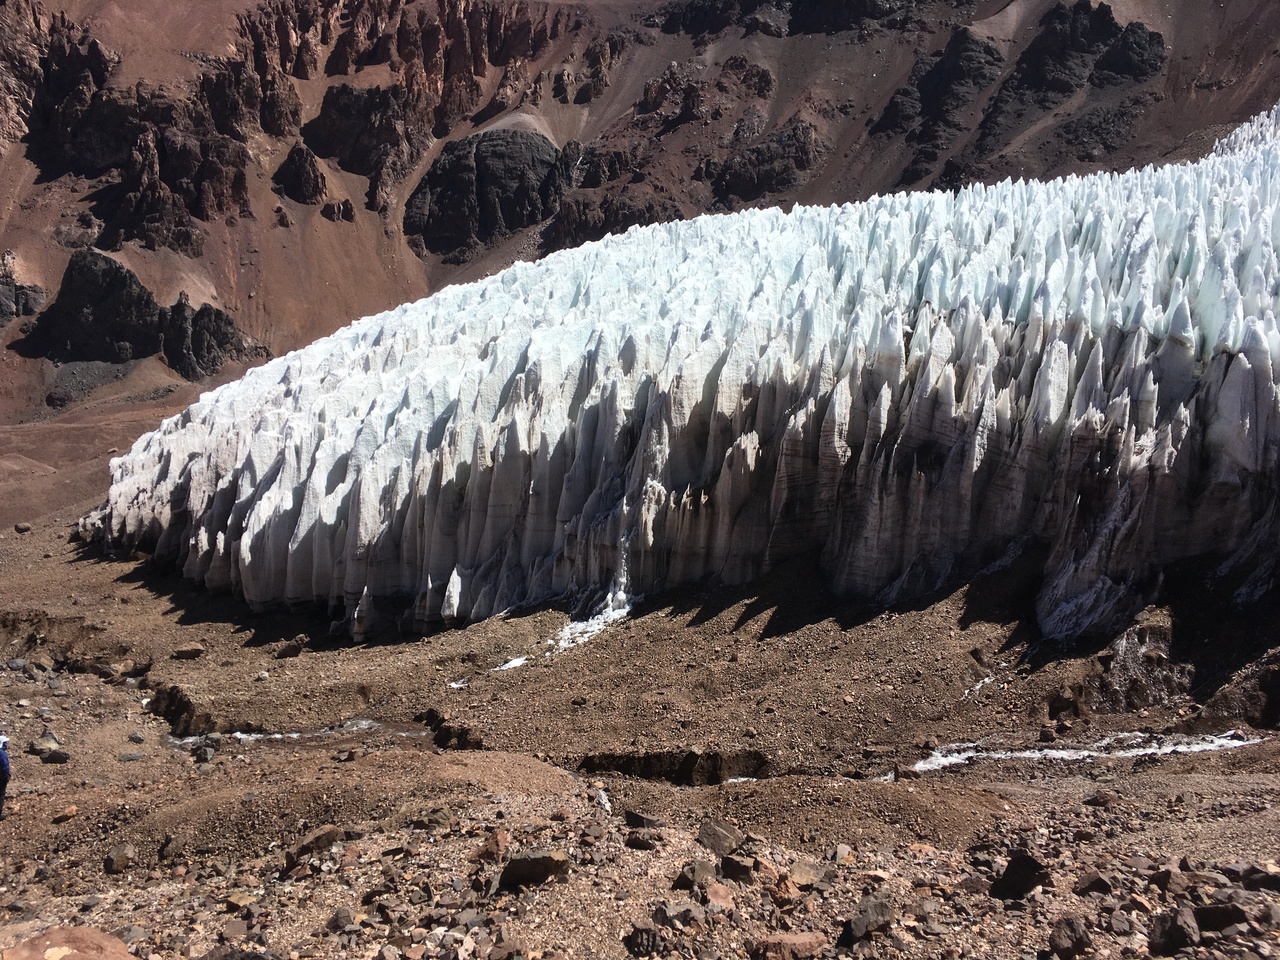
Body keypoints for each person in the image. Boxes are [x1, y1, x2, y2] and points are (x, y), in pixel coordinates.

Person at [0, 736, 9, 820]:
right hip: (1, 776)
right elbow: (5, 766)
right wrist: (7, 776)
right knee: (1, 794)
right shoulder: (2, 753)